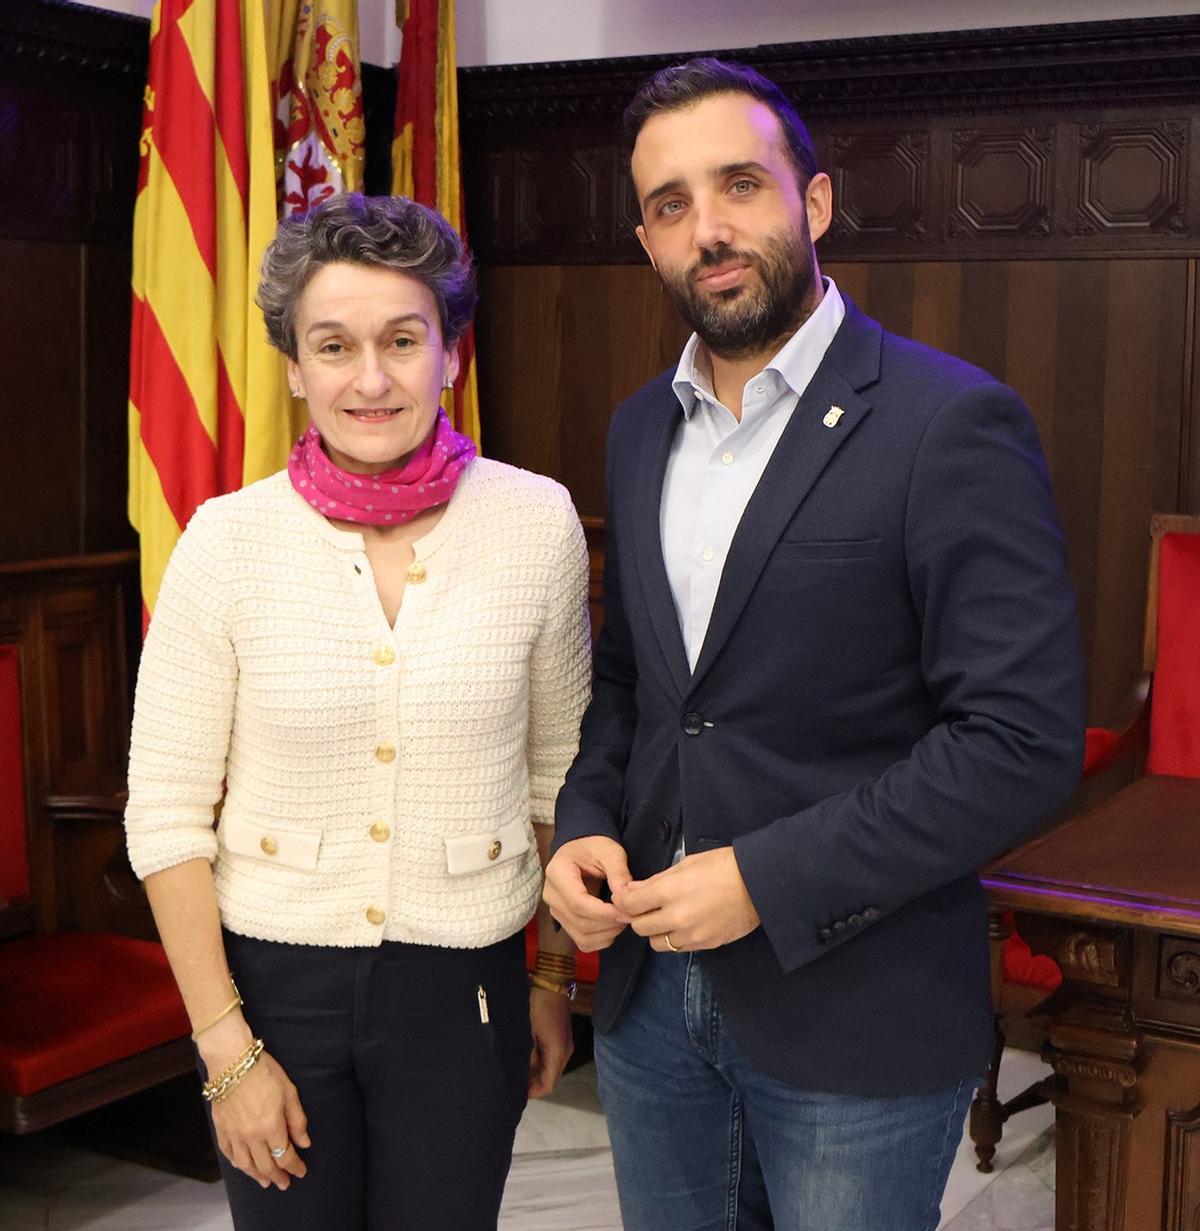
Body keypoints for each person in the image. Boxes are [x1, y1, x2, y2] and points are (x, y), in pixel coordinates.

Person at [543, 58, 1085, 1231]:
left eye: (740, 183)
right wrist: (584, 824)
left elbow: (1019, 742)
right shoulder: (640, 430)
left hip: (859, 1019)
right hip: (646, 1011)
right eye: (672, 204)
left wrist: (764, 878)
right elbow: (636, 687)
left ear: (817, 201)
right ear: (645, 241)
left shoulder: (950, 423)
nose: (711, 227)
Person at [124, 192, 590, 1231]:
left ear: (450, 354)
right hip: (271, 992)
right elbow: (162, 814)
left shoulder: (535, 522)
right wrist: (223, 1047)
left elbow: (562, 773)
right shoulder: (223, 540)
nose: (370, 378)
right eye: (334, 345)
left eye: (402, 340)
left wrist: (552, 974)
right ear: (295, 364)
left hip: (466, 986)